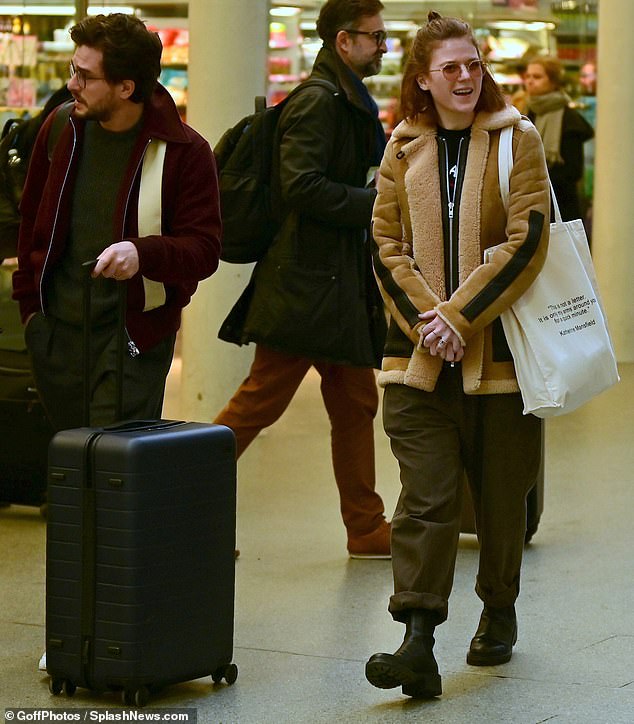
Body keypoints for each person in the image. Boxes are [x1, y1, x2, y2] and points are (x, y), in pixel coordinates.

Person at [364, 11, 550, 699]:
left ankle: (499, 608)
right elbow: (385, 246)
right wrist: (428, 326)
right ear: (423, 79)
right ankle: (417, 639)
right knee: (426, 498)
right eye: (452, 68)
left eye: (474, 63)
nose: (467, 77)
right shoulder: (401, 147)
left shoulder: (516, 139)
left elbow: (527, 240)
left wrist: (459, 317)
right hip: (415, 364)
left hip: (501, 361)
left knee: (502, 498)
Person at [214, 0, 390, 559]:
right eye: (375, 36)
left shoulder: (344, 98)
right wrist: (375, 203)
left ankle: (365, 527)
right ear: (344, 42)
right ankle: (184, 504)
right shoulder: (320, 103)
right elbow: (300, 185)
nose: (383, 46)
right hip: (306, 284)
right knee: (258, 403)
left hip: (331, 281)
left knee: (355, 402)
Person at [13, 13, 221, 433]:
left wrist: (141, 253)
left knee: (116, 475)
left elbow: (205, 249)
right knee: (68, 466)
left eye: (86, 76)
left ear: (126, 87)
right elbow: (31, 222)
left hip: (133, 342)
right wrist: (32, 315)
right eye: (74, 70)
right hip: (57, 337)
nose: (72, 85)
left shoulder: (184, 151)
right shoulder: (59, 129)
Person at [523, 55, 594, 222]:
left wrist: (535, 179)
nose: (530, 81)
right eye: (528, 76)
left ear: (553, 82)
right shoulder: (528, 111)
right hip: (529, 206)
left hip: (561, 207)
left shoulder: (569, 119)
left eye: (537, 77)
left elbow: (573, 171)